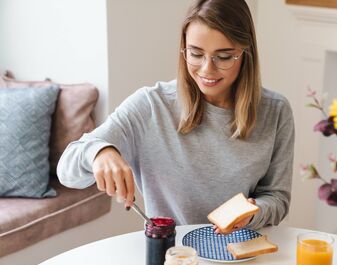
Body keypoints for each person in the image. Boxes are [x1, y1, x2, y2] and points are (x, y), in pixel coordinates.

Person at [57, 0, 295, 234]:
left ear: (246, 53)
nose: (206, 69)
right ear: (184, 50)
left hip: (242, 253)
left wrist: (255, 213)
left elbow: (277, 197)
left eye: (223, 57)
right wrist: (98, 152)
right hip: (173, 257)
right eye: (196, 54)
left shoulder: (276, 111)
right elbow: (67, 172)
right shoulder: (152, 105)